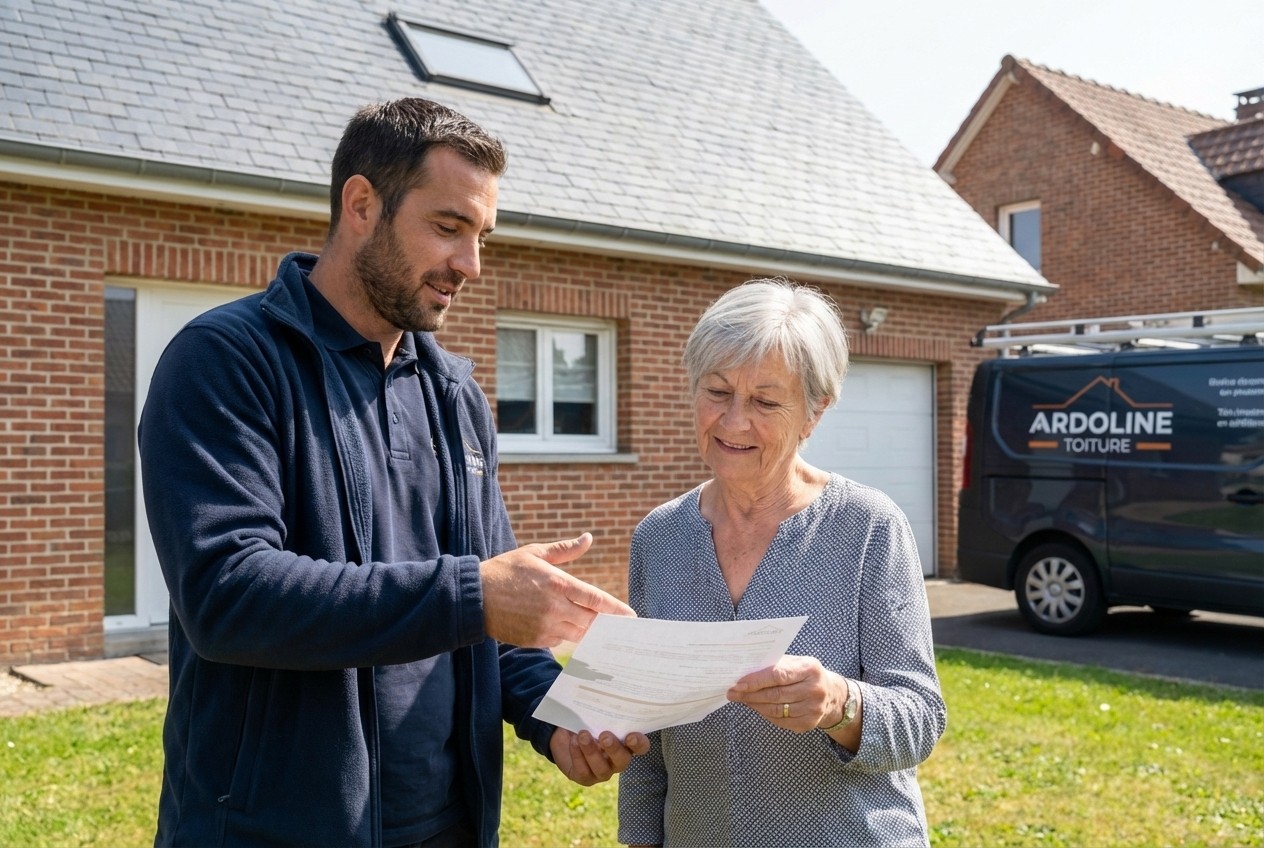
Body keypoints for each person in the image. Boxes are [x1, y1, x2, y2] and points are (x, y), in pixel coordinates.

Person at [138, 97, 648, 848]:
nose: (469, 264)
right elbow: (227, 594)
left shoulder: (455, 398)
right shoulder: (225, 362)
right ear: (361, 204)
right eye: (448, 227)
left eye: (481, 236)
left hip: (446, 826)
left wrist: (558, 719)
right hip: (270, 830)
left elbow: (495, 628)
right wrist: (475, 593)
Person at [617, 279, 947, 848]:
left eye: (766, 402)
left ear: (813, 413)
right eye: (717, 392)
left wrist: (841, 705)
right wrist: (641, 838)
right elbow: (649, 729)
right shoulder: (660, 538)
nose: (734, 421)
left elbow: (920, 720)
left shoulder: (868, 527)